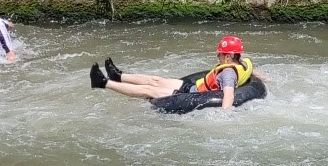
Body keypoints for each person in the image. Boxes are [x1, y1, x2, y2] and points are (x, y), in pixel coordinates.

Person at [89, 36, 264, 112]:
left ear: (228, 56)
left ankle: (103, 83)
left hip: (191, 95)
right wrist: (266, 80)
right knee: (157, 80)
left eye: (219, 54)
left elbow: (229, 94)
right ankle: (118, 75)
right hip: (194, 87)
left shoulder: (227, 73)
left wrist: (225, 115)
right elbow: (251, 73)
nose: (217, 56)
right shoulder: (242, 63)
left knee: (149, 90)